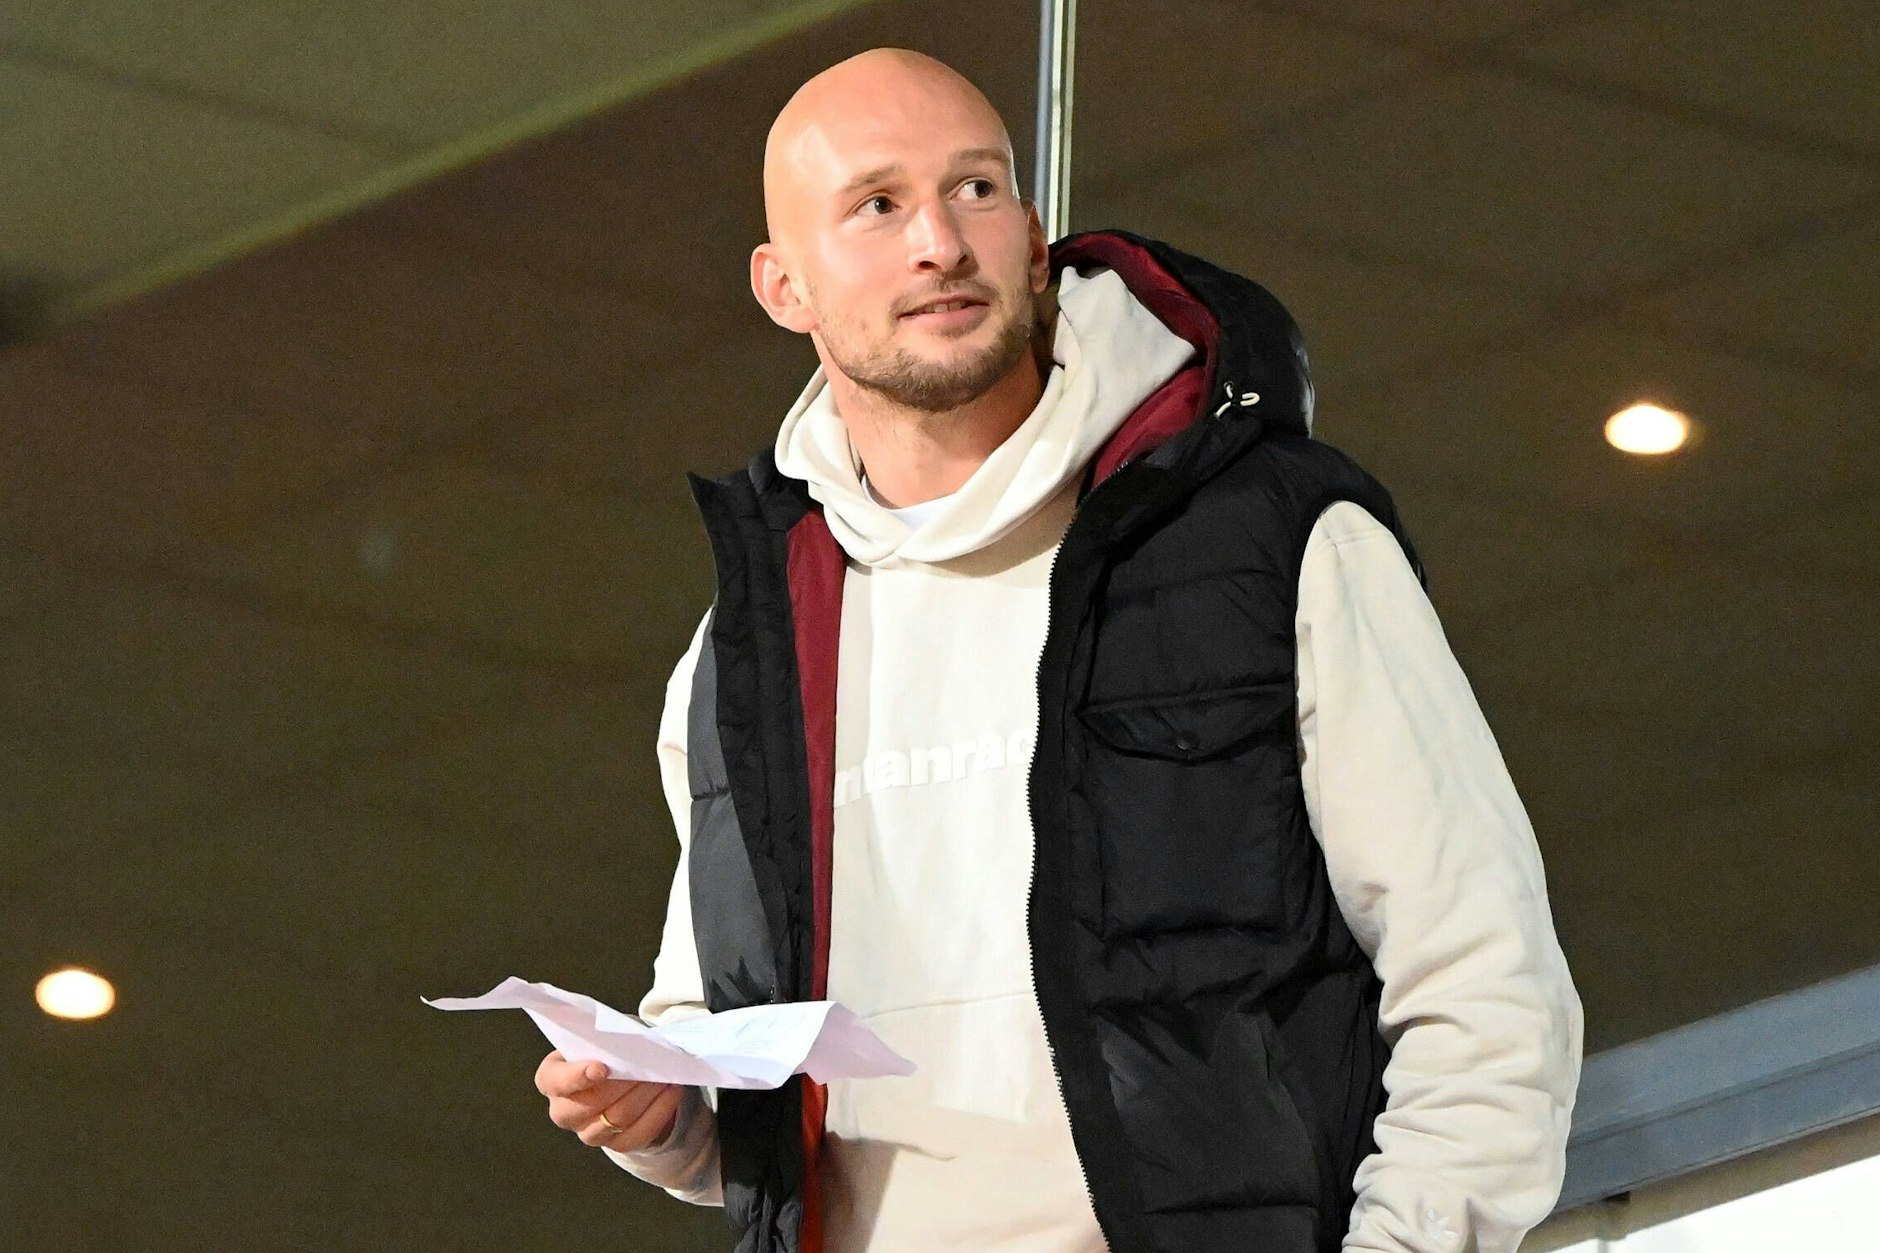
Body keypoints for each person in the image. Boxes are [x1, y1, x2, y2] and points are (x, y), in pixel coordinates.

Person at [533, 47, 1582, 1253]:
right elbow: (728, 1055)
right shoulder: (750, 650)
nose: (939, 241)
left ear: (1034, 237)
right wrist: (659, 1111)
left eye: (975, 189)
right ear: (784, 286)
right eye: (877, 205)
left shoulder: (1270, 537)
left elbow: (1486, 989)